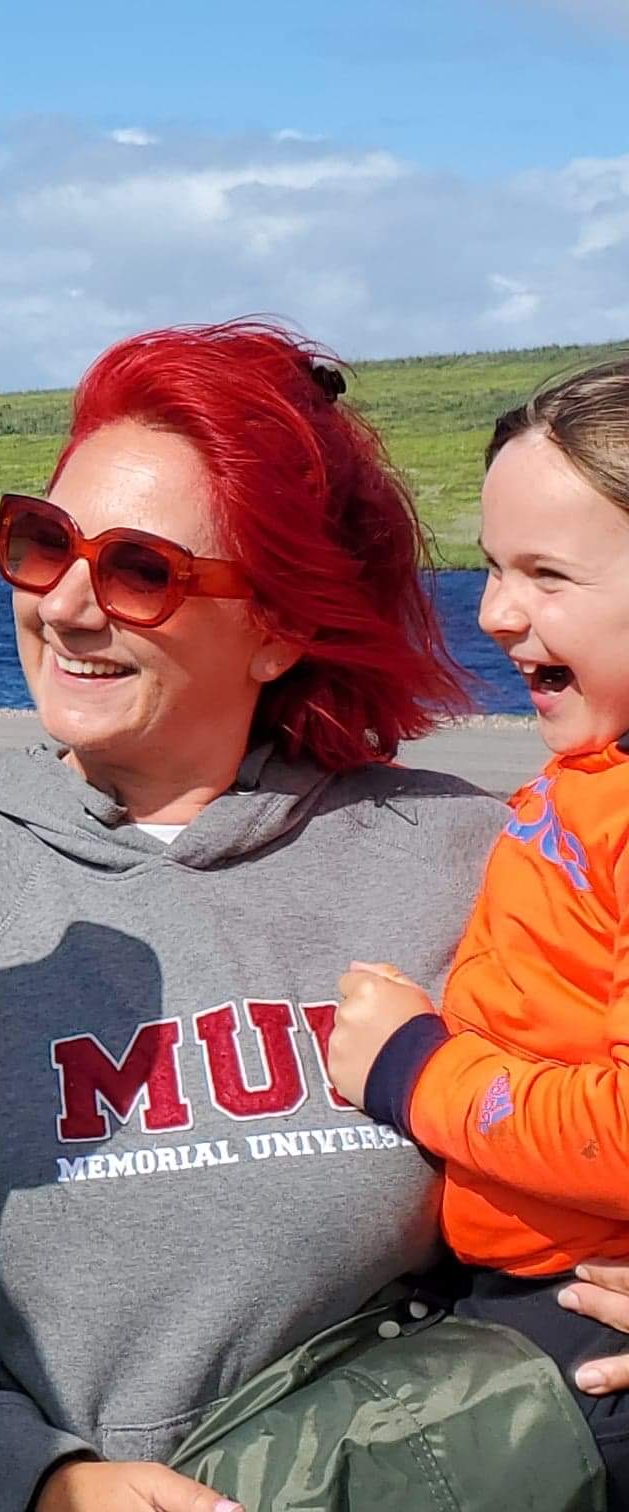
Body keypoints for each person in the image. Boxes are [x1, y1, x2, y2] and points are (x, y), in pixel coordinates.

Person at [0, 319, 629, 1512]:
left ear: (278, 627)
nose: (65, 604)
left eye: (139, 569)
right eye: (41, 541)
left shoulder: (468, 856)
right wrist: (40, 1485)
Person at [326, 353, 629, 1507]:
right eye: (495, 568)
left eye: (548, 573)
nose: (497, 611)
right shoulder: (593, 773)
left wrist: (414, 1070)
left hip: (581, 1333)